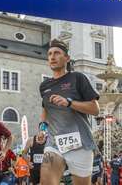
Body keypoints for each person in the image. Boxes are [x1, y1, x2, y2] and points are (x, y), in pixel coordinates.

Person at [39, 39, 100, 185]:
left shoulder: (77, 78)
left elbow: (95, 109)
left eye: (57, 53)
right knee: (46, 180)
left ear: (67, 58)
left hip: (79, 143)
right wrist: (42, 128)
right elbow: (45, 109)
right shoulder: (44, 86)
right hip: (54, 142)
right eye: (50, 54)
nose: (52, 57)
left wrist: (69, 103)